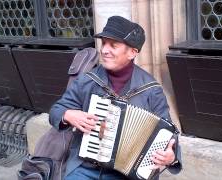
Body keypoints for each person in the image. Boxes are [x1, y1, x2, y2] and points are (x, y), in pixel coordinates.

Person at [49, 15, 182, 180]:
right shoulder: (87, 80)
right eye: (103, 43)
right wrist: (68, 115)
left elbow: (168, 133)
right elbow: (56, 111)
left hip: (127, 174)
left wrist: (171, 156)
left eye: (113, 45)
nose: (104, 50)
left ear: (132, 52)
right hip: (85, 168)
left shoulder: (151, 90)